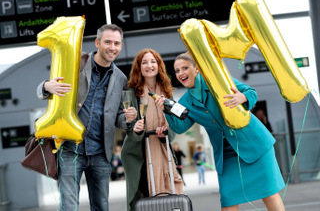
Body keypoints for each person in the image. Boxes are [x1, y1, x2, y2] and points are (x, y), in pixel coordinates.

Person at [156, 52, 285, 211]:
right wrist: (166, 110)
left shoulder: (218, 80)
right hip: (226, 154)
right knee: (228, 200)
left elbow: (251, 92)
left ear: (196, 68)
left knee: (269, 194)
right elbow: (181, 127)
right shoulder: (185, 101)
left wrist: (242, 98)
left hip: (254, 145)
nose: (181, 73)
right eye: (177, 71)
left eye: (184, 68)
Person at [36, 24, 137, 211]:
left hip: (101, 153)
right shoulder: (76, 62)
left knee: (101, 206)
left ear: (121, 46)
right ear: (98, 43)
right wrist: (46, 87)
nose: (112, 47)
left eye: (116, 43)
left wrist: (129, 119)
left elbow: (118, 119)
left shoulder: (121, 79)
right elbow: (42, 89)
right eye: (107, 42)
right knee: (69, 206)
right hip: (69, 150)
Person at [121, 48, 183, 211]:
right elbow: (130, 131)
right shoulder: (132, 93)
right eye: (144, 62)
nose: (149, 65)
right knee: (141, 201)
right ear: (139, 67)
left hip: (162, 151)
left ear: (159, 65)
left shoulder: (167, 92)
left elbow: (174, 128)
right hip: (138, 154)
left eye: (153, 61)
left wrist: (167, 131)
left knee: (169, 198)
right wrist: (136, 128)